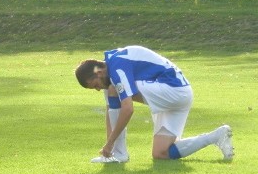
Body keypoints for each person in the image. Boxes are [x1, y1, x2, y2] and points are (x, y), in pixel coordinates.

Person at [74, 46, 234, 162]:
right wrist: (107, 145)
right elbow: (111, 109)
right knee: (161, 153)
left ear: (99, 72)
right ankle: (215, 136)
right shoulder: (113, 64)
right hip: (179, 95)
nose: (96, 89)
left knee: (112, 89)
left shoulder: (116, 67)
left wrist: (109, 144)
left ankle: (119, 154)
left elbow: (128, 109)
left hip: (173, 90)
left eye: (94, 84)